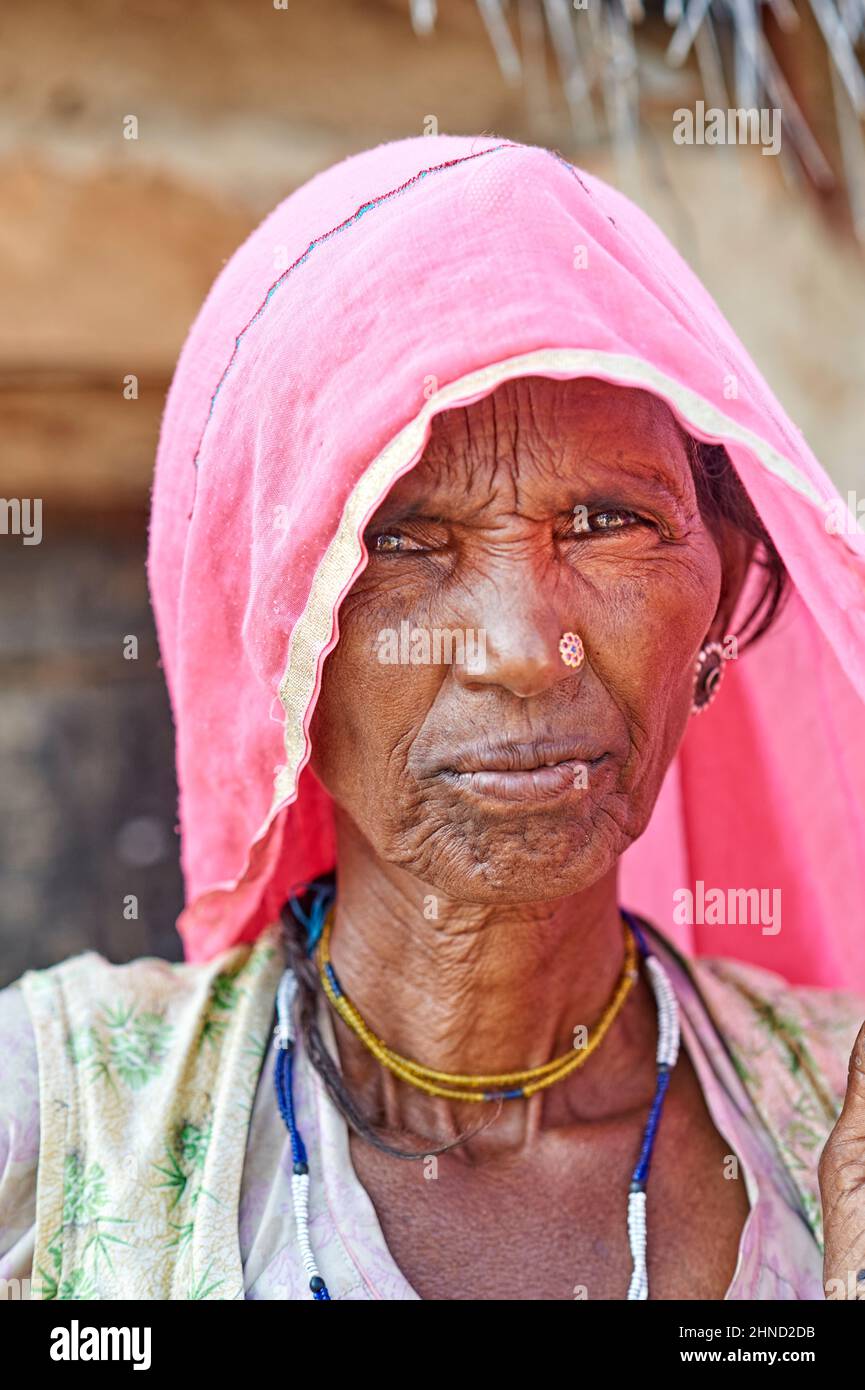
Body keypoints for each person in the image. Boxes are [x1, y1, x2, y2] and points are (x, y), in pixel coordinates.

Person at [2, 135, 865, 1302]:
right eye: (399, 539)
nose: (518, 648)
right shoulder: (57, 1130)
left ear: (721, 585)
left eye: (607, 522)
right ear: (279, 635)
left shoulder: (834, 1117)